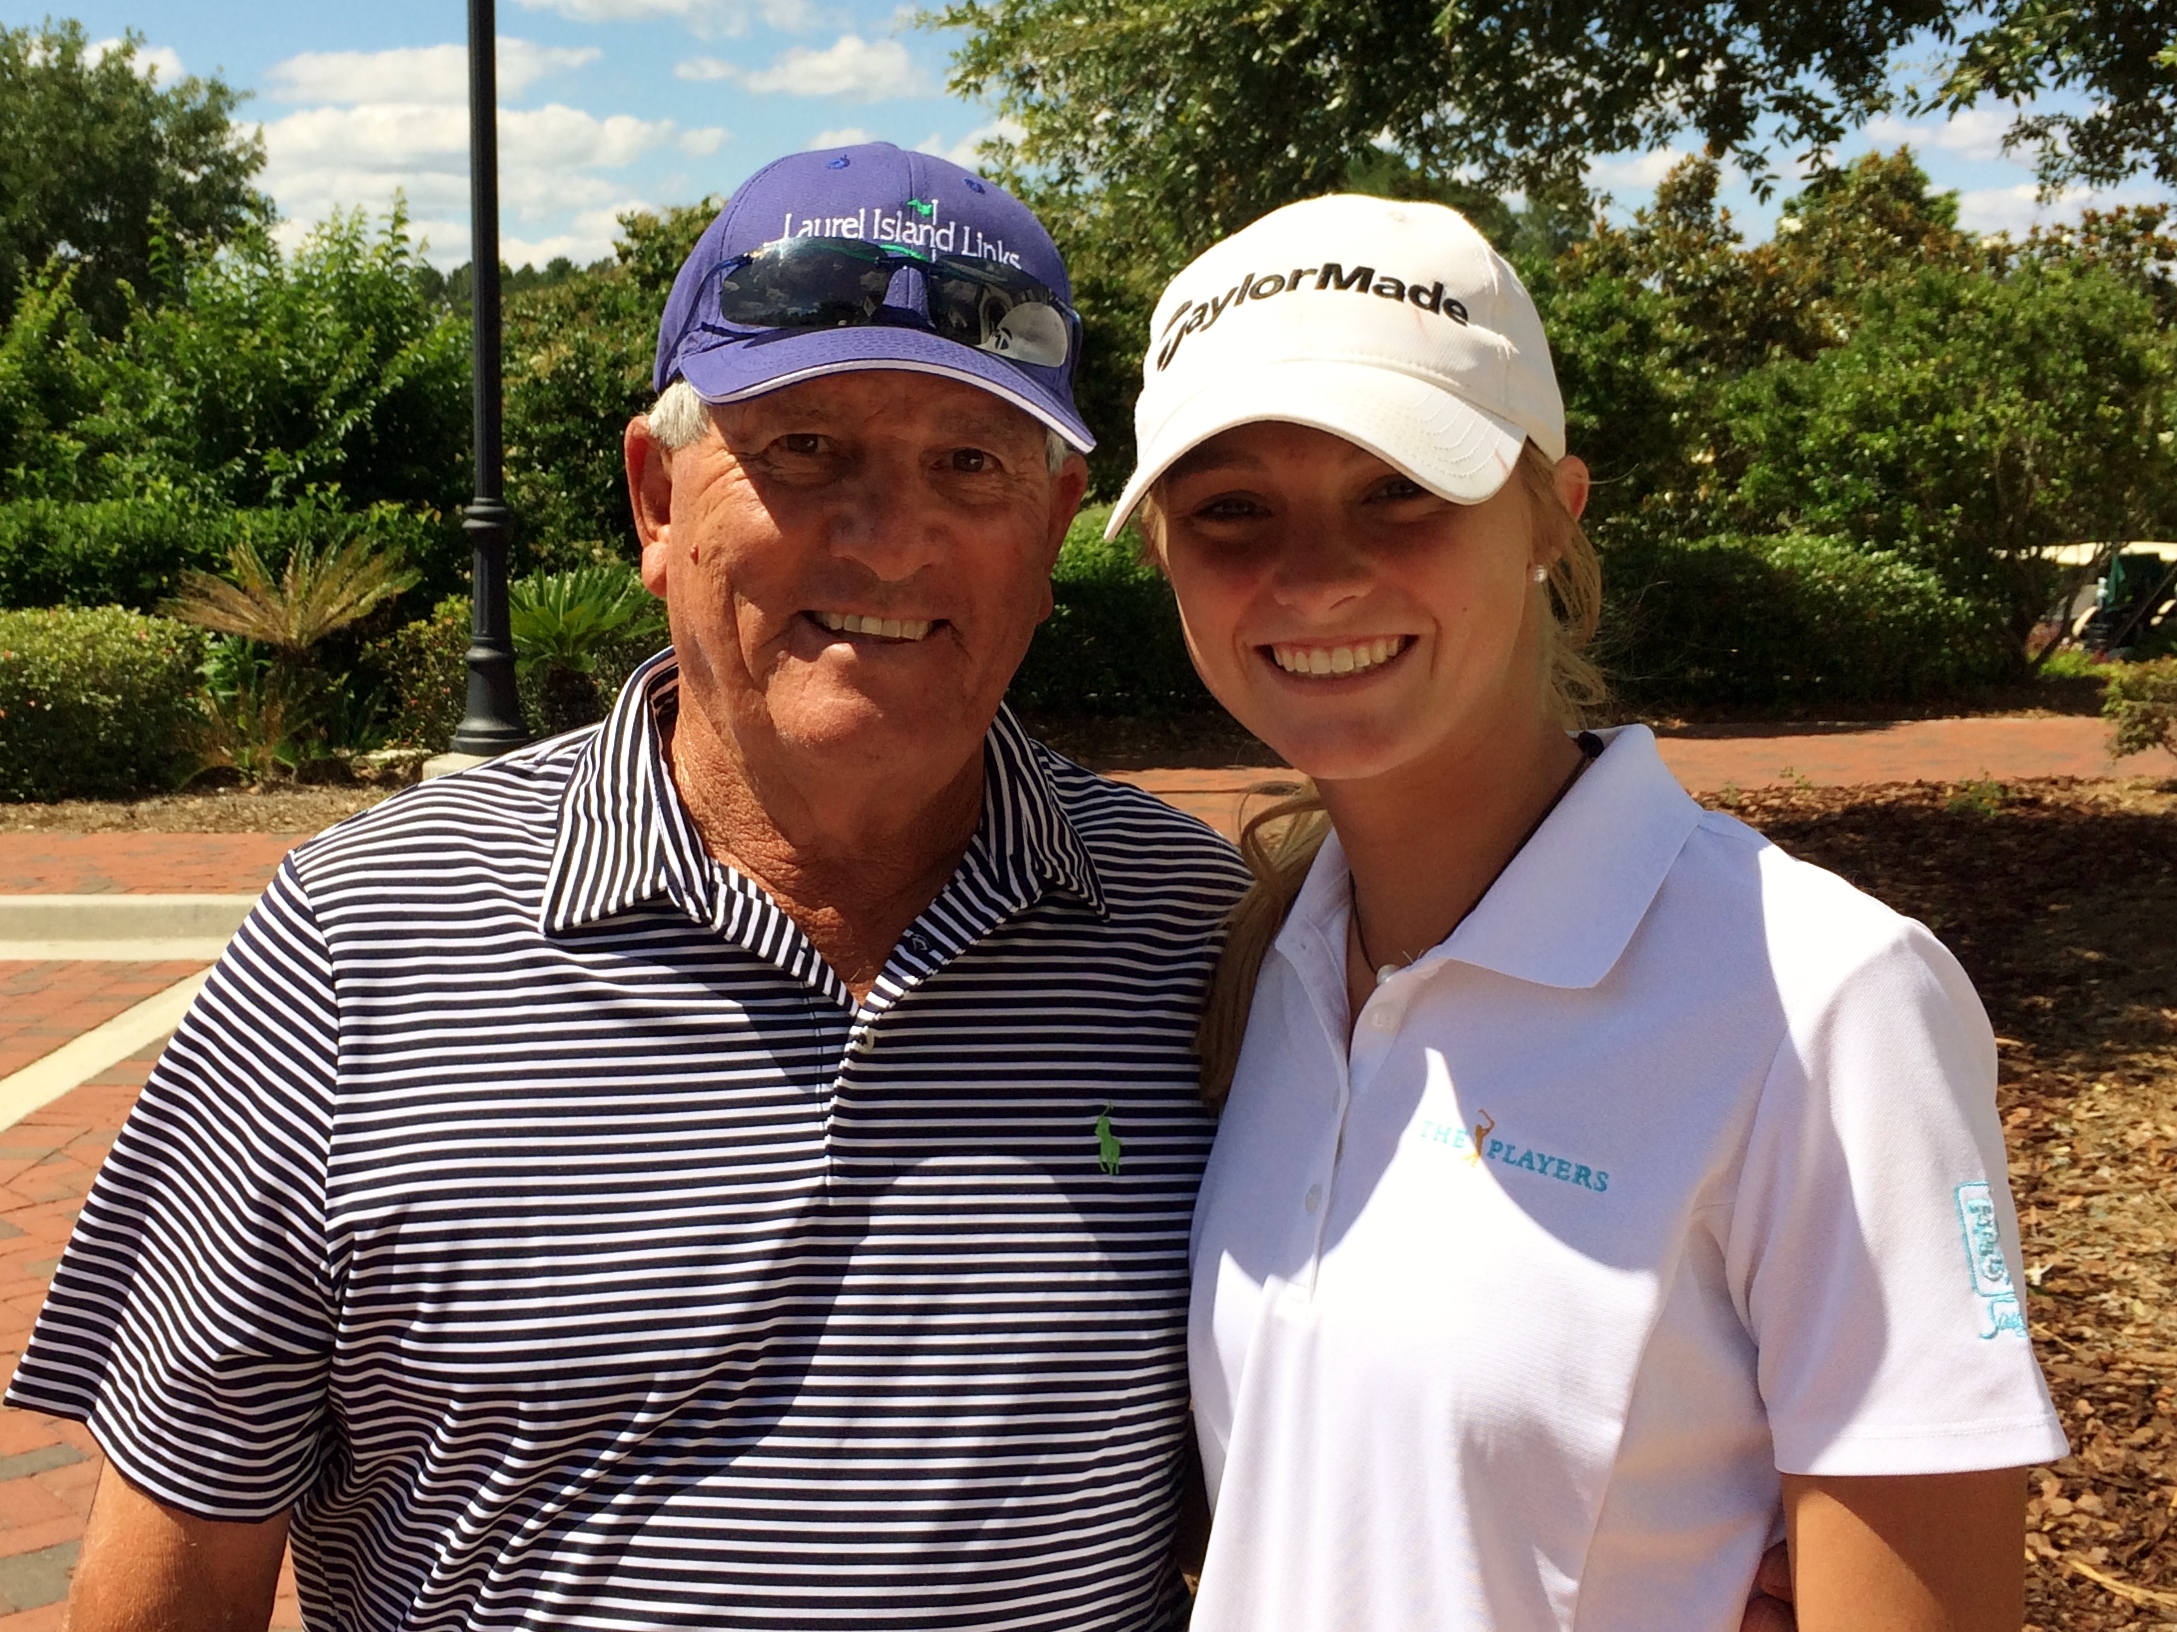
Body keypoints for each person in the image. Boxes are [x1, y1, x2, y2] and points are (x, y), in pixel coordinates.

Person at [5, 142, 1249, 1631]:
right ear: (657, 502)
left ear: (1051, 532)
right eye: (804, 448)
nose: (888, 537)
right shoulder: (360, 938)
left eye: (970, 464)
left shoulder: (1201, 933)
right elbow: (177, 1572)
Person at [1110, 194, 2069, 1631]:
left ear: (1551, 519)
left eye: (1401, 488)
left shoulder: (1826, 999)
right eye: (1230, 510)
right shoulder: (1270, 966)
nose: (1312, 575)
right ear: (1164, 558)